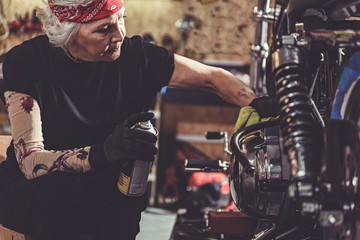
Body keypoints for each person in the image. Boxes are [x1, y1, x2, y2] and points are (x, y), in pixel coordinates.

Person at [0, 0, 278, 239]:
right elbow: (30, 162)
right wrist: (103, 153)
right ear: (67, 32)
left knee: (124, 199)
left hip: (109, 189)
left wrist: (253, 102)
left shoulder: (137, 56)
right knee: (63, 189)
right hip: (38, 189)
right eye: (104, 28)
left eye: (121, 20)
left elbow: (210, 77)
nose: (119, 34)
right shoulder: (26, 63)